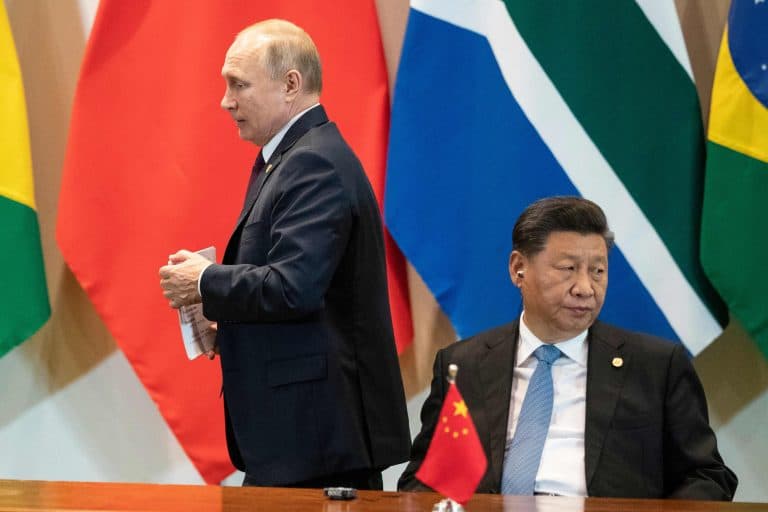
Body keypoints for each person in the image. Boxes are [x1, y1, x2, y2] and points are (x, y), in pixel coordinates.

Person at [159, 19, 410, 489]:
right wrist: (230, 329)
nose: (226, 101)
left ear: (290, 84)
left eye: (239, 84)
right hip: (297, 443)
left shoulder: (313, 162)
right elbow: (303, 297)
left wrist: (204, 280)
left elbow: (294, 287)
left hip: (318, 447)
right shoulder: (289, 158)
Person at [398, 196, 737, 500]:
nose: (585, 288)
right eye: (568, 269)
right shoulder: (464, 363)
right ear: (518, 269)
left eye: (598, 271)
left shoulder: (656, 366)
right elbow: (422, 481)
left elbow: (707, 477)